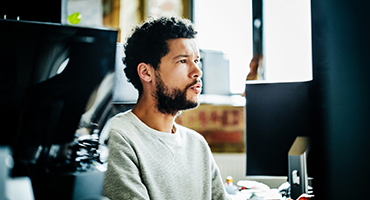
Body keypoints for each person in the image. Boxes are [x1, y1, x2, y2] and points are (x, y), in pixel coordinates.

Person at [103, 16, 231, 200]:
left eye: (197, 60)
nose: (197, 71)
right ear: (146, 72)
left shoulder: (197, 144)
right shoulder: (118, 138)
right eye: (182, 61)